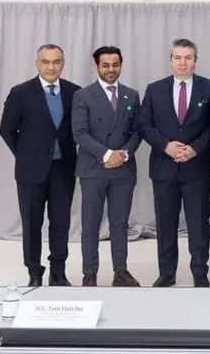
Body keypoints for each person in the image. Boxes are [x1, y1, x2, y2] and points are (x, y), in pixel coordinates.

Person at [0, 44, 80, 287]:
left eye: (56, 62)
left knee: (61, 222)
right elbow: (6, 130)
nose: (51, 67)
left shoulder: (74, 92)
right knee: (32, 222)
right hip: (31, 171)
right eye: (45, 62)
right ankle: (34, 271)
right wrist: (26, 155)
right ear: (37, 63)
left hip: (63, 169)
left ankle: (58, 272)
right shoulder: (21, 92)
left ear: (62, 64)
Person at [138, 38, 210, 287]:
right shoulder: (154, 89)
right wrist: (165, 146)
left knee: (198, 223)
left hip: (197, 167)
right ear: (170, 61)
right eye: (178, 58)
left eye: (188, 58)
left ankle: (200, 272)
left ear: (195, 61)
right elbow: (144, 124)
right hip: (164, 167)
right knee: (165, 223)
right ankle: (167, 272)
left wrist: (195, 149)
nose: (183, 63)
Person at [72, 46, 142, 287]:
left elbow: (137, 131)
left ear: (120, 65)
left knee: (120, 223)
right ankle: (89, 273)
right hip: (93, 169)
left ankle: (120, 271)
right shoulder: (83, 96)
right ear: (96, 66)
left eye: (115, 65)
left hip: (123, 169)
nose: (111, 69)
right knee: (90, 223)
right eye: (105, 65)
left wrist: (123, 154)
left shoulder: (131, 95)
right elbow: (80, 133)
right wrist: (107, 154)